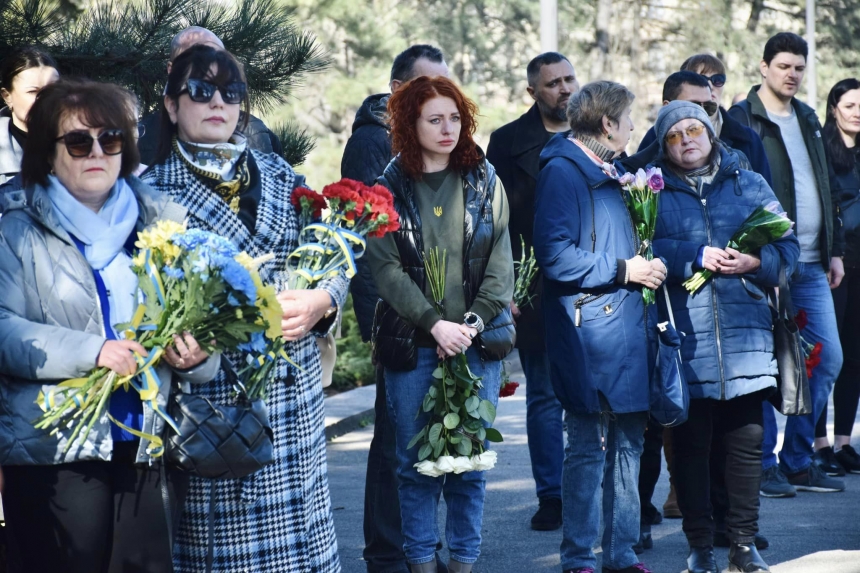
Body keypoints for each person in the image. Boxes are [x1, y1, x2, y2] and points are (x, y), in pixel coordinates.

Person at [0, 78, 219, 573]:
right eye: (78, 141)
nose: (96, 151)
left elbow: (199, 322)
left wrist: (198, 355)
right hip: (53, 450)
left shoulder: (160, 226)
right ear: (47, 153)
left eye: (111, 138)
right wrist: (93, 351)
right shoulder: (14, 228)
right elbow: (3, 329)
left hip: (143, 444)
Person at [142, 45, 347, 572]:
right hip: (218, 404)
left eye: (230, 93)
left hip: (295, 397)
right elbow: (139, 306)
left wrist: (324, 299)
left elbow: (333, 253)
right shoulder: (150, 191)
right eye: (200, 90)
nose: (217, 102)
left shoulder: (279, 173)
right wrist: (171, 347)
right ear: (169, 104)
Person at [365, 75, 513, 573]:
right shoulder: (387, 187)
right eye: (435, 119)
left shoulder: (485, 179)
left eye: (455, 117)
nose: (448, 128)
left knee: (470, 467)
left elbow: (501, 265)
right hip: (414, 344)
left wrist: (468, 324)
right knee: (414, 469)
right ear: (411, 124)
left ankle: (464, 563)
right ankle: (422, 564)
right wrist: (434, 324)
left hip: (475, 341)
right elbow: (384, 268)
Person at [651, 100, 799, 573]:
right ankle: (698, 544)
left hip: (745, 334)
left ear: (711, 134)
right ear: (664, 147)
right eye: (673, 136)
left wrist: (756, 263)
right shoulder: (650, 190)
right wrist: (692, 254)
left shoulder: (748, 181)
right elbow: (639, 246)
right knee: (691, 445)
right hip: (684, 336)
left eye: (693, 130)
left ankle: (742, 543)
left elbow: (787, 246)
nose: (685, 141)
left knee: (747, 441)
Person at [533, 80, 664, 573]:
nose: (634, 126)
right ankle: (578, 559)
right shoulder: (564, 172)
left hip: (627, 326)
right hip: (589, 330)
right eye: (628, 118)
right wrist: (624, 269)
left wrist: (646, 264)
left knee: (630, 442)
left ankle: (622, 555)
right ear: (608, 124)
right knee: (588, 447)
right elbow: (555, 255)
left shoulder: (614, 168)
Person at [340, 44, 449, 573]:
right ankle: (386, 553)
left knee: (425, 437)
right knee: (392, 444)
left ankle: (416, 546)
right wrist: (372, 321)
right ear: (399, 88)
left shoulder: (435, 134)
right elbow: (363, 239)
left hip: (437, 316)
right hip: (395, 316)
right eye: (428, 83)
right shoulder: (372, 143)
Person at [729, 31, 846, 497]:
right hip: (770, 262)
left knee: (826, 359)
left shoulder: (808, 116)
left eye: (799, 67)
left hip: (815, 263)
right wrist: (758, 257)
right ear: (763, 67)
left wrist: (834, 248)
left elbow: (825, 183)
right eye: (783, 66)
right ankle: (763, 463)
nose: (792, 74)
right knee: (766, 367)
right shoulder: (744, 119)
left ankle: (798, 459)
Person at [486, 51, 579, 532]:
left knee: (598, 396)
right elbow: (492, 222)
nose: (564, 89)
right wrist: (502, 286)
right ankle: (553, 496)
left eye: (568, 79)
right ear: (533, 92)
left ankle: (598, 493)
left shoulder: (598, 133)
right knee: (544, 395)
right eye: (552, 83)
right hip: (534, 286)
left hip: (597, 284)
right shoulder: (507, 143)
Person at [136, 26, 282, 166]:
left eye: (220, 60)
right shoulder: (140, 138)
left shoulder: (260, 137)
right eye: (201, 87)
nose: (218, 102)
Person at [813, 79, 860, 475]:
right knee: (827, 354)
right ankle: (818, 442)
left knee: (855, 356)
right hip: (835, 262)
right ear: (834, 109)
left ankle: (844, 441)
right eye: (850, 104)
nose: (857, 112)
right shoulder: (823, 150)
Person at [0, 46, 59, 185]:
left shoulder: (88, 142)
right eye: (33, 92)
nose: (45, 99)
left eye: (53, 90)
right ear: (7, 96)